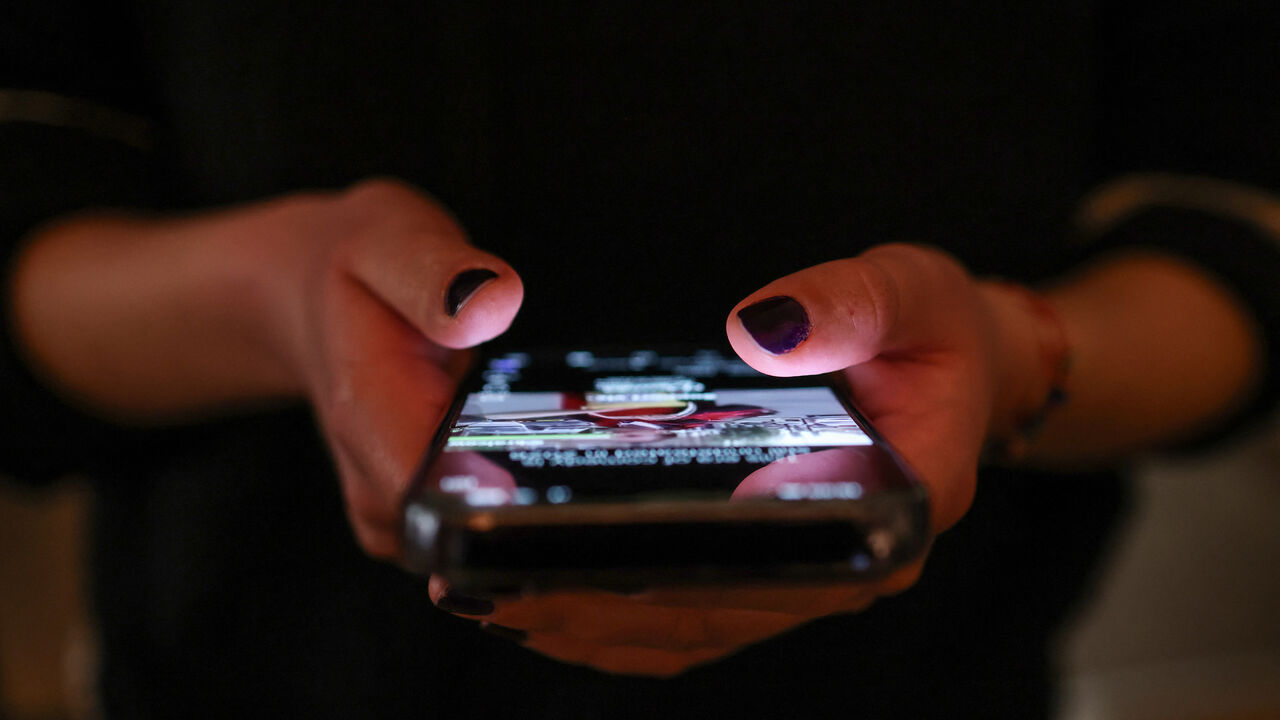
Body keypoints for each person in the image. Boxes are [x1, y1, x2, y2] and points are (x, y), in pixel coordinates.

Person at [3, 2, 1277, 717]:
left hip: (932, 683)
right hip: (255, 674)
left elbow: (1227, 223)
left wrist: (1011, 352)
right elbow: (33, 196)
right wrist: (280, 290)